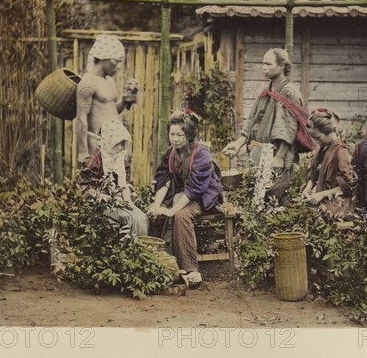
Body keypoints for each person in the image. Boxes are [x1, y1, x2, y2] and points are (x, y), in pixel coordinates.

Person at [148, 110, 224, 286]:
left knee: (181, 216)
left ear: (189, 135)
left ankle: (191, 269)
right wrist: (157, 205)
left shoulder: (201, 153)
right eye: (172, 134)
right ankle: (166, 264)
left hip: (202, 196)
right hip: (180, 194)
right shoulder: (170, 153)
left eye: (179, 135)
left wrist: (171, 210)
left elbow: (194, 189)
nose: (174, 139)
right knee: (154, 214)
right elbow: (163, 180)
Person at [222, 48, 307, 204]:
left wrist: (279, 157)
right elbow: (253, 120)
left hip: (277, 157)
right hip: (259, 153)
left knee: (276, 201)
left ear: (281, 66)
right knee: (257, 202)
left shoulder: (289, 92)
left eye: (268, 64)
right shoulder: (267, 92)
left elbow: (289, 127)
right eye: (263, 64)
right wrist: (238, 143)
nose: (264, 67)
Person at [76, 34, 138, 165]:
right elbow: (81, 119)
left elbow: (111, 111)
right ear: (104, 58)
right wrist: (83, 152)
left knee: (119, 183)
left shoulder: (109, 81)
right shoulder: (87, 82)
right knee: (98, 183)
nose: (119, 66)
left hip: (115, 142)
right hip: (97, 143)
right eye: (116, 61)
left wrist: (128, 96)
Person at [98, 118, 149, 238]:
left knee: (141, 216)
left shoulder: (119, 160)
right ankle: (124, 248)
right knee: (128, 218)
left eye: (122, 143)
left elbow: (123, 185)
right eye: (117, 143)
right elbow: (87, 190)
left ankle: (137, 248)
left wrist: (129, 203)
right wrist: (109, 198)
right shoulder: (96, 161)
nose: (121, 147)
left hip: (117, 202)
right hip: (101, 204)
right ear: (108, 141)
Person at [302, 108, 357, 218]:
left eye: (317, 137)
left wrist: (322, 194)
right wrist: (308, 188)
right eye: (312, 138)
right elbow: (314, 175)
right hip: (318, 200)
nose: (315, 141)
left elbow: (348, 186)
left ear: (330, 131)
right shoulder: (321, 149)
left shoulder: (341, 152)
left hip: (336, 206)